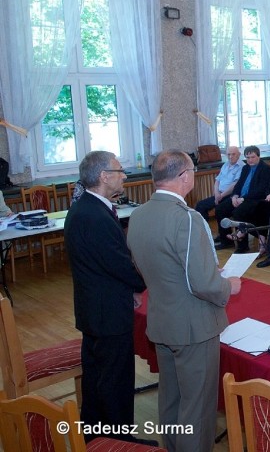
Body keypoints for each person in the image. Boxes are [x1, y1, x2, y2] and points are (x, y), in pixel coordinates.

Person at [127, 149, 241, 451]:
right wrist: (229, 286)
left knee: (171, 399)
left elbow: (148, 267)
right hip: (194, 326)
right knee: (198, 410)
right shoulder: (186, 219)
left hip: (162, 319)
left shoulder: (137, 216)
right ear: (185, 176)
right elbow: (203, 283)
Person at [64, 151, 150, 444]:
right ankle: (120, 444)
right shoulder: (94, 215)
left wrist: (130, 287)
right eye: (119, 170)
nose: (124, 175)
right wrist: (141, 284)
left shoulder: (85, 207)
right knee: (116, 381)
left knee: (97, 377)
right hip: (108, 313)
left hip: (94, 308)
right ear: (103, 176)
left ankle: (94, 437)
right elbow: (117, 262)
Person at [213, 145, 270, 252]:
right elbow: (238, 184)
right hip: (240, 198)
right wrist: (235, 196)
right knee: (220, 209)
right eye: (248, 157)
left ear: (258, 157)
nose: (250, 160)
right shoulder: (245, 168)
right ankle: (226, 241)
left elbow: (261, 190)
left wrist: (243, 199)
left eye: (253, 157)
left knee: (238, 213)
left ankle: (242, 246)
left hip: (255, 200)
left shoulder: (265, 169)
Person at [193, 145, 243, 219]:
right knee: (200, 206)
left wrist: (221, 196)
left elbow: (235, 185)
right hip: (219, 194)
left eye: (233, 154)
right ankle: (205, 230)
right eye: (228, 154)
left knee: (220, 210)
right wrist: (216, 193)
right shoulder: (225, 165)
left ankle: (224, 230)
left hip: (231, 195)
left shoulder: (242, 166)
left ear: (239, 154)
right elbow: (217, 180)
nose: (230, 157)